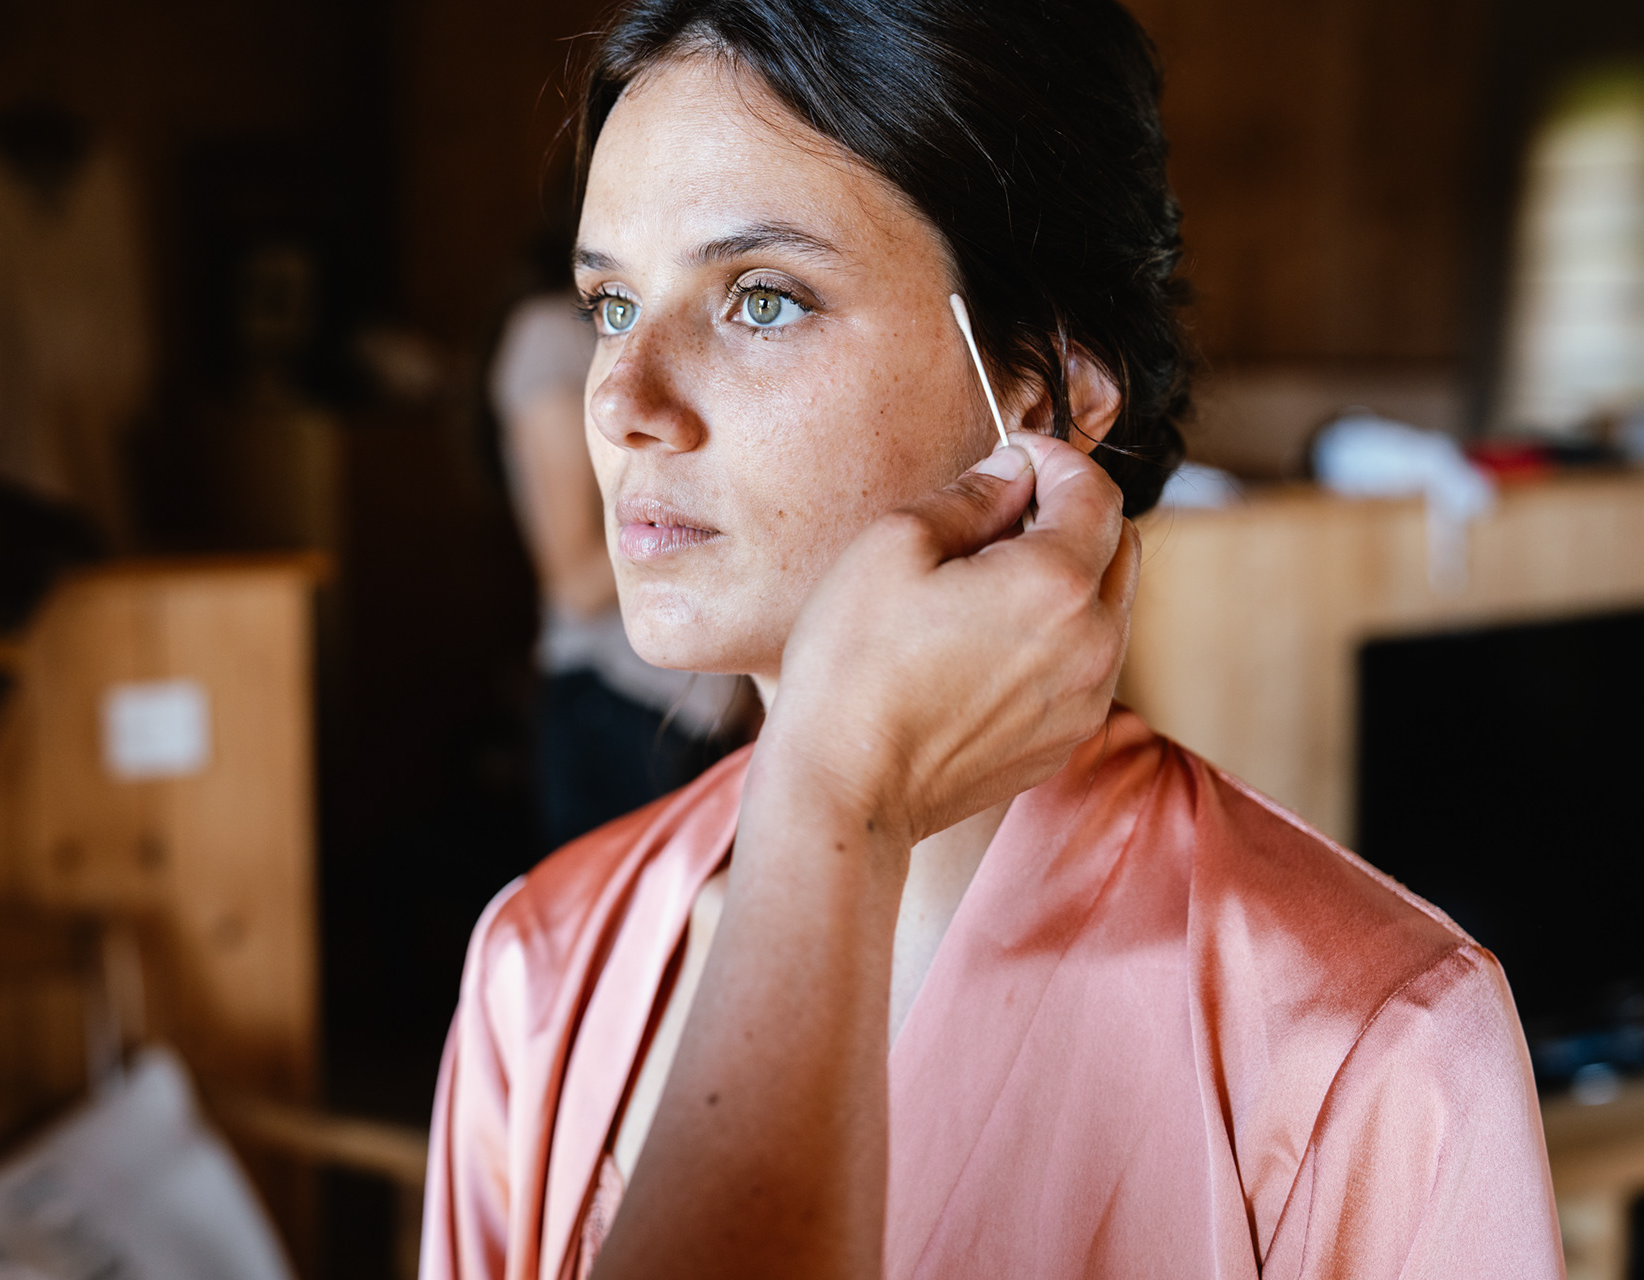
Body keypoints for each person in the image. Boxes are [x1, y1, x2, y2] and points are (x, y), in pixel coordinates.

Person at [424, 2, 1567, 1277]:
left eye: (761, 299)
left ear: (1043, 392)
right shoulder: (541, 972)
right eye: (611, 302)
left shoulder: (1372, 1043)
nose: (622, 402)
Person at [490, 288, 750, 853]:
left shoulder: (693, 315)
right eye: (613, 312)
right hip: (616, 703)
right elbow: (575, 582)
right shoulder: (551, 336)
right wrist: (737, 521)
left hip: (714, 713)